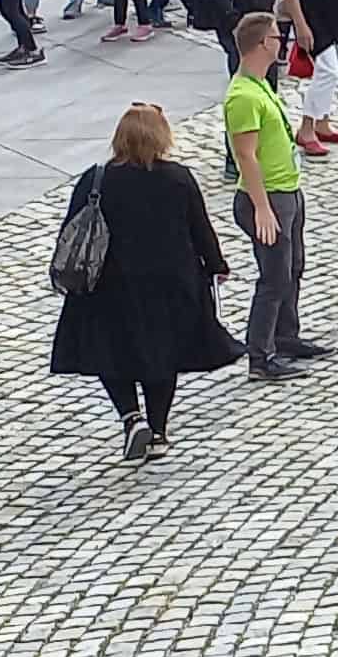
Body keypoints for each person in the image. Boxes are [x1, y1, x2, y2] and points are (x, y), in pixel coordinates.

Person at [52, 101, 241, 462]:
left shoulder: (97, 179)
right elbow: (200, 228)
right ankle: (157, 432)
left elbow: (72, 229)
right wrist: (217, 264)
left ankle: (130, 416)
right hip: (170, 284)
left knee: (110, 354)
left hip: (110, 286)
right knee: (163, 356)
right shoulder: (178, 178)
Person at [218, 13, 319, 378]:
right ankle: (260, 357)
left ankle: (285, 335)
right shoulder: (243, 96)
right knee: (273, 277)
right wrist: (261, 207)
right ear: (262, 44)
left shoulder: (260, 85)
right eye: (277, 37)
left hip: (287, 190)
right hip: (268, 197)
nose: (282, 42)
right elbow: (245, 155)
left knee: (292, 268)